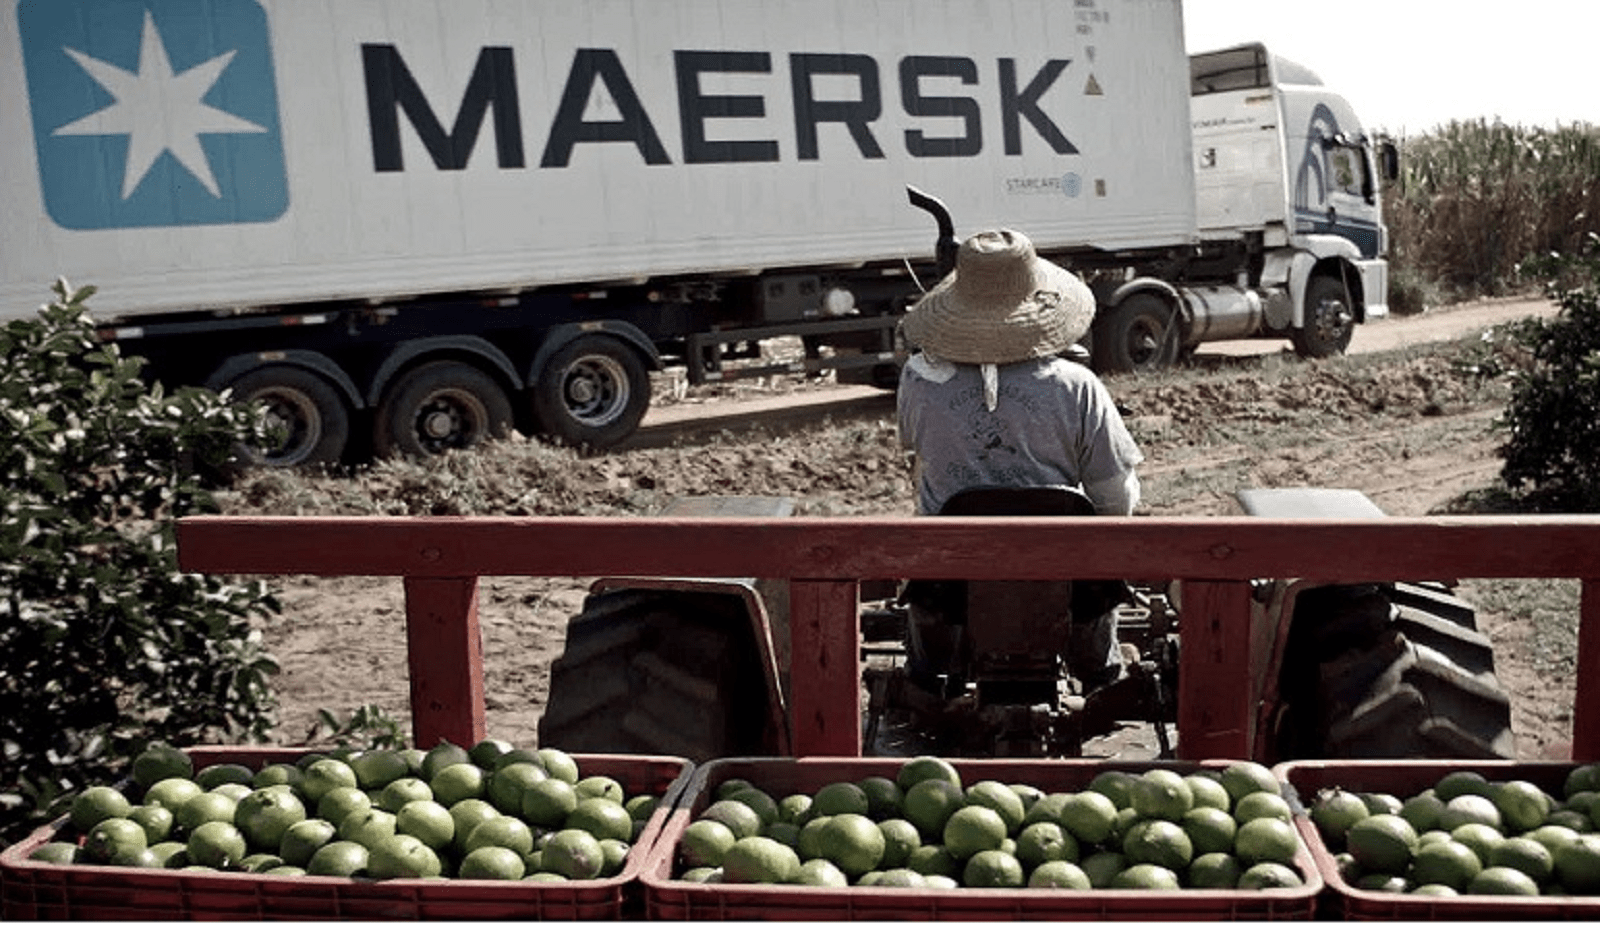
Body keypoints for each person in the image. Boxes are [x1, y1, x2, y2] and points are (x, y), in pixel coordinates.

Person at [895, 228, 1144, 691]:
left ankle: (931, 674)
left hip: (948, 588)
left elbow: (918, 464)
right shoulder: (1077, 386)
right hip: (1070, 586)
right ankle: (1101, 672)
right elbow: (1114, 500)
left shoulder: (917, 381)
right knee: (1100, 562)